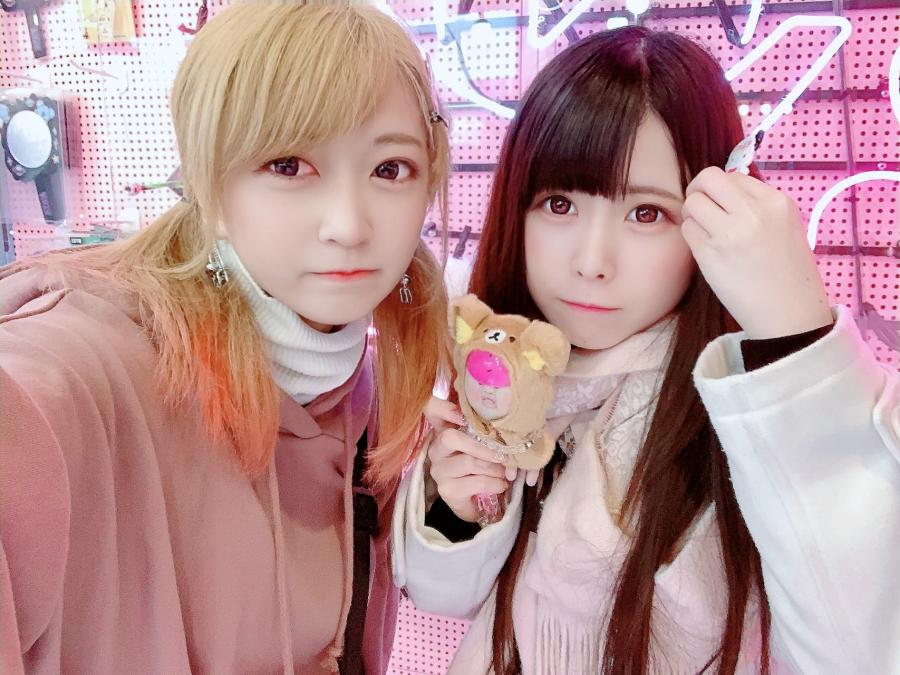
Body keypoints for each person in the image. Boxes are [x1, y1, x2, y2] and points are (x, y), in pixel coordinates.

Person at [393, 27, 899, 674]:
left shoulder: (753, 407)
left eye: (647, 214)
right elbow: (445, 594)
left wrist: (794, 337)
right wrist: (459, 510)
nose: (591, 262)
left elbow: (861, 644)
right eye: (559, 203)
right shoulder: (506, 368)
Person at [0, 3, 450, 673]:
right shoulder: (96, 366)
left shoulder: (363, 396)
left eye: (390, 169)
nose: (350, 226)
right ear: (209, 183)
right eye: (289, 165)